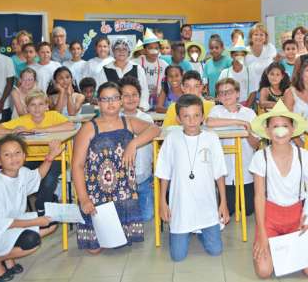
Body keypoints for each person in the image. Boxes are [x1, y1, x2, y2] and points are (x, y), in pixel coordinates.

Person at [72, 82, 160, 253]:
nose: (110, 103)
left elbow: (155, 128)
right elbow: (77, 165)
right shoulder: (88, 128)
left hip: (123, 189)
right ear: (98, 102)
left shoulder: (129, 122)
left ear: (120, 101)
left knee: (122, 240)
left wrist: (134, 143)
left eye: (114, 98)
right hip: (97, 191)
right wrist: (83, 198)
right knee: (94, 249)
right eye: (105, 99)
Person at [0, 135, 60, 282]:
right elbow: (2, 223)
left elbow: (38, 175)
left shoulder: (21, 172)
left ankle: (8, 259)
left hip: (9, 223)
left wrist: (50, 156)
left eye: (17, 153)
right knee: (31, 241)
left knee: (52, 222)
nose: (13, 158)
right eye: (7, 154)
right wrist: (35, 221)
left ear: (24, 156)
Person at [249, 100, 308, 279]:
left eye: (285, 126)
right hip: (269, 217)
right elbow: (258, 197)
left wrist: (307, 217)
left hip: (296, 216)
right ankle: (269, 245)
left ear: (293, 129)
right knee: (264, 271)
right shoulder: (260, 157)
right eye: (275, 126)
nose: (280, 131)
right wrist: (263, 234)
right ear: (267, 131)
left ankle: (285, 247)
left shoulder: (303, 155)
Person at [156, 94, 230, 262]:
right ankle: (186, 232)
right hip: (181, 205)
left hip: (207, 204)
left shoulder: (211, 138)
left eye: (196, 115)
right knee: (177, 256)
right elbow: (164, 173)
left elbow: (219, 173)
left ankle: (200, 231)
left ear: (203, 116)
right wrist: (162, 202)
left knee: (215, 250)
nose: (192, 121)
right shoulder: (171, 139)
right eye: (186, 116)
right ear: (178, 118)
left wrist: (223, 203)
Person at [0, 89, 75, 215]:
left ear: (47, 106)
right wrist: (13, 130)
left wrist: (41, 130)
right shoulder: (23, 119)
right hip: (31, 159)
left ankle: (41, 207)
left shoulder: (53, 115)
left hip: (56, 157)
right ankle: (13, 208)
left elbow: (70, 126)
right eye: (33, 105)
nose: (37, 108)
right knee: (12, 171)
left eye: (41, 104)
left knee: (49, 178)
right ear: (27, 108)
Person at [206, 78, 260, 217]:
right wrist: (238, 122)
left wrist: (247, 132)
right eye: (221, 93)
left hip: (246, 171)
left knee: (248, 210)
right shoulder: (216, 110)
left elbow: (256, 145)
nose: (226, 95)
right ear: (217, 97)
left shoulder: (249, 113)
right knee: (227, 210)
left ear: (237, 93)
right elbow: (210, 123)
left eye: (229, 91)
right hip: (226, 173)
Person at [119, 76, 160, 221]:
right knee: (125, 217)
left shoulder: (147, 119)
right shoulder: (116, 119)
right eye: (126, 95)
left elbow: (153, 149)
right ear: (119, 98)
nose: (131, 99)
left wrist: (155, 174)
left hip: (144, 177)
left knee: (146, 217)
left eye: (134, 95)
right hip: (122, 178)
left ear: (140, 96)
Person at [101, 39, 150, 111]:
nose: (121, 51)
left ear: (129, 51)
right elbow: (102, 93)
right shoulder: (104, 70)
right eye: (118, 49)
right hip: (112, 112)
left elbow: (144, 91)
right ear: (113, 51)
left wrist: (141, 109)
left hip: (135, 111)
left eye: (124, 49)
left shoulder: (137, 68)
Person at [217, 35, 254, 105]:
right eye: (236, 55)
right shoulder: (225, 73)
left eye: (242, 55)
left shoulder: (250, 72)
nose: (239, 57)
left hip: (245, 105)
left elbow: (253, 92)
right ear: (231, 55)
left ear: (245, 56)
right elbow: (219, 90)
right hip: (228, 105)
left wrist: (246, 108)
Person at [138, 29, 169, 110]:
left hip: (158, 101)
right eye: (150, 48)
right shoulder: (136, 63)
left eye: (156, 48)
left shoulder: (164, 65)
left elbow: (167, 85)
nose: (154, 51)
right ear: (144, 50)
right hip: (140, 101)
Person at [245, 23, 277, 93]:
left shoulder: (270, 48)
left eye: (261, 35)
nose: (258, 37)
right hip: (250, 91)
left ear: (265, 37)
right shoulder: (245, 51)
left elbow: (275, 66)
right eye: (256, 34)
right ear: (251, 37)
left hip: (269, 88)